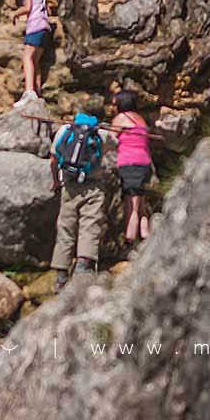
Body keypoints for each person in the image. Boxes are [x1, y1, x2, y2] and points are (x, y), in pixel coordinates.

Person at [49, 110, 105, 289]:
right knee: (90, 225)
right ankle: (82, 266)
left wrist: (56, 181)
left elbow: (53, 159)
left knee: (66, 227)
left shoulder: (65, 130)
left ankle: (61, 274)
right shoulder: (100, 133)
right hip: (93, 186)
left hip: (69, 185)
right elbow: (116, 147)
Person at [111, 89, 155, 245]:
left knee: (132, 204)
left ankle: (130, 238)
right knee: (141, 201)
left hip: (129, 163)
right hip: (144, 163)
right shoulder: (140, 119)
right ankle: (145, 234)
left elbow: (110, 138)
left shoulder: (121, 119)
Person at [12, 0, 52, 108]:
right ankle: (37, 91)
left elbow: (28, 7)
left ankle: (29, 92)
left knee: (27, 57)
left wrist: (16, 13)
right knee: (35, 61)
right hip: (45, 27)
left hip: (35, 26)